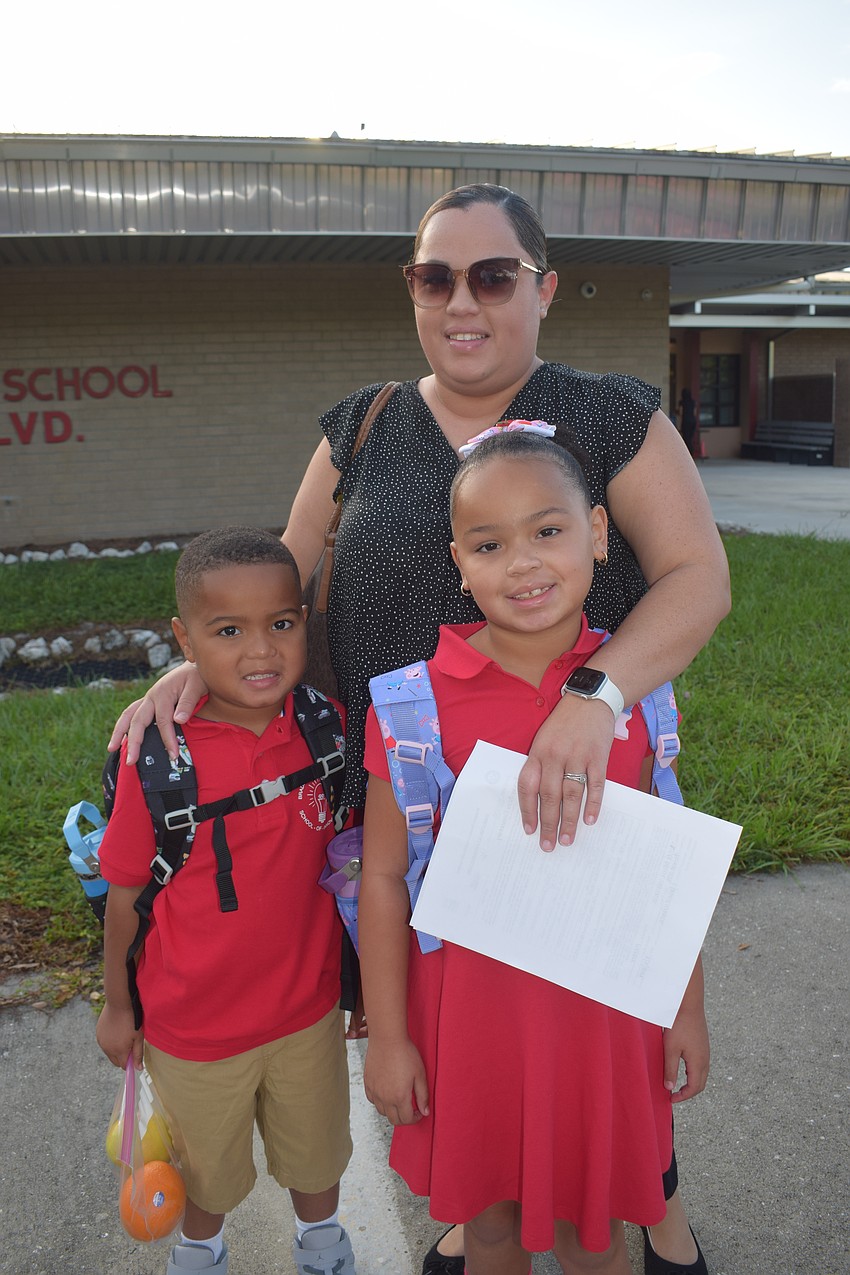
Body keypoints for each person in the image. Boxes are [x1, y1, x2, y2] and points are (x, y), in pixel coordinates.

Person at [110, 182, 730, 1273]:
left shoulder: (609, 412)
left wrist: (596, 701)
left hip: (573, 766)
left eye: (492, 275)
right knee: (457, 1024)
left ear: (541, 288)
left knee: (588, 1007)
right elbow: (286, 572)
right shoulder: (367, 421)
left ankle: (644, 1200)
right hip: (409, 782)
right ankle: (477, 1195)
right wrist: (188, 667)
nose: (460, 299)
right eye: (432, 275)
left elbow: (697, 579)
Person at [359, 429, 710, 1275]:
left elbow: (665, 872)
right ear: (460, 562)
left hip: (602, 1019)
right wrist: (391, 1037)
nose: (522, 562)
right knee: (490, 1230)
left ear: (596, 530)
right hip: (471, 1022)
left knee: (599, 1232)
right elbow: (380, 875)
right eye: (490, 543)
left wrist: (687, 1010)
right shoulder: (414, 706)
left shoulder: (638, 692)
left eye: (546, 531)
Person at [96, 527, 356, 1275]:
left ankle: (323, 1247)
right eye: (228, 630)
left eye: (282, 623)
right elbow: (124, 899)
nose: (260, 650)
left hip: (306, 1012)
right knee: (205, 1171)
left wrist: (360, 984)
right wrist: (119, 1004)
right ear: (184, 639)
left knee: (319, 1153)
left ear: (306, 621)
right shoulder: (159, 756)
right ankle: (201, 1253)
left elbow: (350, 869)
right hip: (194, 1026)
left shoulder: (324, 729)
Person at [677, 388, 698, 458]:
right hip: (693, 421)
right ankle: (691, 452)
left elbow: (680, 413)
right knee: (690, 438)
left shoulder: (682, 402)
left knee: (686, 438)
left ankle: (687, 454)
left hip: (686, 421)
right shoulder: (693, 402)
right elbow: (695, 413)